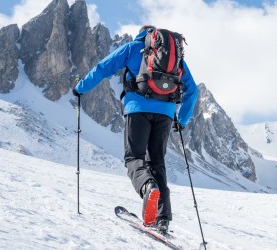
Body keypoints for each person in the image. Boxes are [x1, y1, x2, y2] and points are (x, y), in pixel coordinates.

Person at [73, 25, 198, 233]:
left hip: (137, 109)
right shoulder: (174, 58)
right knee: (157, 162)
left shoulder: (132, 48)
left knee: (134, 158)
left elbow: (103, 67)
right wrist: (181, 120)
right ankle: (162, 218)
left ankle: (148, 187)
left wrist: (80, 88)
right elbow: (192, 90)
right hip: (166, 114)